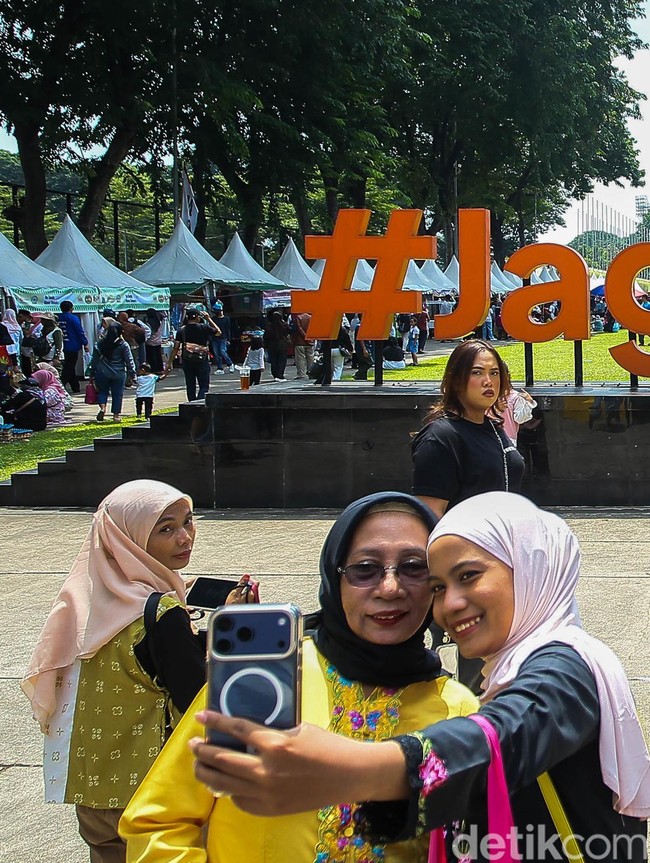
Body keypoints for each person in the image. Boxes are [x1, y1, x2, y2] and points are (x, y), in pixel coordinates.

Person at [190, 492, 650, 862]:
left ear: (532, 568)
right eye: (438, 586)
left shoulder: (564, 666)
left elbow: (514, 730)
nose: (450, 604)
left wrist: (360, 769)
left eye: (468, 575)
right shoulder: (274, 680)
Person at [120, 491, 478, 862]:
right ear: (335, 576)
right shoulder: (259, 681)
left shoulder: (459, 710)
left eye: (414, 567)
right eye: (365, 569)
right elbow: (157, 824)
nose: (390, 588)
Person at [22, 480, 208, 863]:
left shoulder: (78, 606)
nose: (185, 537)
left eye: (188, 522)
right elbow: (199, 697)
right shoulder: (162, 616)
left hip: (93, 793)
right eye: (166, 528)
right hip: (155, 794)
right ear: (127, 538)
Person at [411, 339, 525, 691]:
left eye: (495, 373)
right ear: (457, 379)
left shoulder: (491, 427)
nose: (489, 382)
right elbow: (428, 519)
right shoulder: (442, 437)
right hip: (468, 574)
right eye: (477, 373)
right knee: (480, 676)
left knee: (505, 668)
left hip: (505, 565)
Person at [166, 307, 220, 401]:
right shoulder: (204, 327)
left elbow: (176, 347)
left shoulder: (182, 330)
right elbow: (218, 332)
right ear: (198, 317)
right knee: (204, 385)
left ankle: (191, 404)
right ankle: (200, 402)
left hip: (187, 361)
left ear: (187, 318)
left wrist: (170, 362)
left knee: (190, 385)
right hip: (202, 360)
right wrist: (208, 319)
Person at [89, 322, 137, 422]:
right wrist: (132, 374)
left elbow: (95, 360)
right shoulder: (123, 344)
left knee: (102, 391)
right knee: (117, 394)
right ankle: (116, 415)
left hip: (102, 371)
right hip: (118, 372)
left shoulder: (99, 343)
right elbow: (129, 360)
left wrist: (92, 373)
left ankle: (102, 408)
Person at [57, 301, 89, 393]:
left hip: (62, 345)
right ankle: (60, 386)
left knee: (69, 366)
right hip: (73, 345)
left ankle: (75, 387)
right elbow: (79, 332)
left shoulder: (58, 318)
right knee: (69, 367)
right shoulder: (73, 318)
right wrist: (85, 343)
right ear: (71, 308)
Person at [211, 302, 234, 374]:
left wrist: (228, 339)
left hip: (223, 338)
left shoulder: (226, 319)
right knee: (217, 353)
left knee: (222, 351)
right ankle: (220, 368)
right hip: (214, 338)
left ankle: (230, 364)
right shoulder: (213, 319)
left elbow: (228, 329)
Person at [290, 311, 315, 380]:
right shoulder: (311, 317)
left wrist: (305, 337)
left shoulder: (298, 317)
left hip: (300, 342)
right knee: (310, 358)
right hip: (310, 342)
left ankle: (301, 374)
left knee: (300, 359)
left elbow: (299, 329)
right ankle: (311, 373)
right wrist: (310, 338)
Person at [144, 308, 165, 374]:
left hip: (150, 342)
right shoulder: (159, 321)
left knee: (151, 357)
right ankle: (160, 369)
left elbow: (148, 332)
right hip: (158, 341)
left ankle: (153, 370)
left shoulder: (148, 322)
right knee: (158, 356)